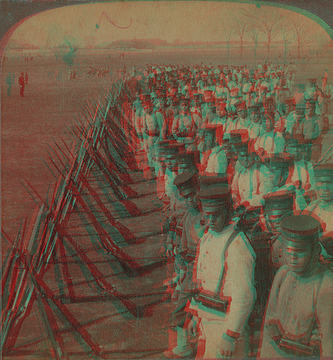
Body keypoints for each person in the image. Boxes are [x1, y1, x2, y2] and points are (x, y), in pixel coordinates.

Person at [186, 186, 257, 359]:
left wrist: (230, 335)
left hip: (227, 326)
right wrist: (195, 315)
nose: (210, 220)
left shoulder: (237, 245)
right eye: (207, 215)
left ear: (228, 211)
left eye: (216, 215)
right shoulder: (206, 238)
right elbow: (200, 282)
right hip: (207, 323)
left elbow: (245, 296)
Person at [259, 213, 333, 358]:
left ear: (314, 251)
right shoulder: (283, 274)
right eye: (288, 250)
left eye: (300, 251)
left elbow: (328, 339)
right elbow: (269, 322)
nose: (292, 258)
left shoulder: (326, 284)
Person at [164, 171, 205, 359]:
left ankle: (189, 346)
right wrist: (180, 271)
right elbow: (182, 245)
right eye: (185, 197)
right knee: (180, 307)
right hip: (188, 269)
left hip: (201, 270)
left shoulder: (206, 215)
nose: (189, 200)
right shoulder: (189, 214)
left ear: (198, 189)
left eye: (191, 195)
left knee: (192, 310)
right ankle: (184, 345)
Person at [306, 164, 333, 255]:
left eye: (329, 183)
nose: (325, 188)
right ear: (316, 185)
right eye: (321, 183)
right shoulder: (311, 208)